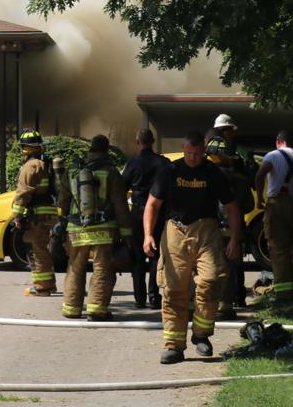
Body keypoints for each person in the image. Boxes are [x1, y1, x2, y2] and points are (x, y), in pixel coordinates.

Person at [144, 130, 242, 364]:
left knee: (211, 281)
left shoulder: (213, 173)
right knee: (173, 290)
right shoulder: (170, 171)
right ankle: (174, 346)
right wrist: (148, 235)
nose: (193, 158)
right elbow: (152, 205)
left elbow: (232, 208)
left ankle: (201, 335)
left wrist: (235, 239)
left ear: (204, 152)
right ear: (183, 148)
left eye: (198, 154)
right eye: (189, 153)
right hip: (175, 231)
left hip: (206, 230)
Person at [58, 135, 133, 320]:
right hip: (104, 229)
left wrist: (62, 224)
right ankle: (97, 309)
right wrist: (127, 233)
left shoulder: (73, 170)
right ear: (106, 150)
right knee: (102, 268)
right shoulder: (111, 171)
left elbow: (62, 202)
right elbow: (120, 205)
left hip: (76, 228)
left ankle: (71, 308)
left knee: (75, 267)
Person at [255, 129, 293, 302]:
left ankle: (285, 296)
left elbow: (260, 176)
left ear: (278, 142)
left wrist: (259, 199)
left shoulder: (272, 156)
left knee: (279, 249)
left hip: (278, 204)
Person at [207, 130, 253, 317]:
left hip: (212, 231)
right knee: (232, 269)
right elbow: (249, 205)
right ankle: (227, 305)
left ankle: (207, 303)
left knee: (209, 267)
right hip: (234, 231)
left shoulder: (206, 178)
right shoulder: (240, 180)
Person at [123, 128, 167, 308]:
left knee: (138, 257)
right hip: (159, 213)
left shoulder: (132, 164)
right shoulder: (163, 163)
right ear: (153, 141)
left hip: (138, 214)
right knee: (156, 255)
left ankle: (139, 299)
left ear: (137, 142)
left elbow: (122, 188)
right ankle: (154, 296)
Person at [12, 129, 59, 296]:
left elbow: (23, 193)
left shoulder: (30, 166)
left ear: (26, 148)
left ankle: (42, 287)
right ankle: (49, 284)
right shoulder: (44, 163)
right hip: (46, 215)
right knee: (42, 249)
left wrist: (17, 216)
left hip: (37, 217)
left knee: (37, 250)